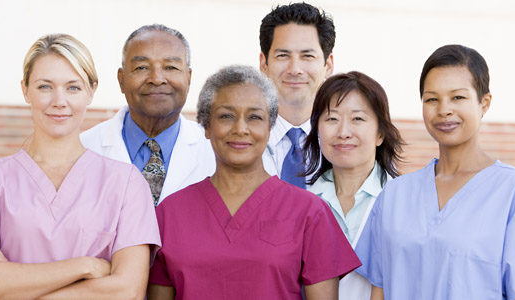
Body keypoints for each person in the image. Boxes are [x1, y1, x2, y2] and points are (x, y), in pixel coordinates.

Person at [0, 33, 160, 299]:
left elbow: (126, 290)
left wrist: (12, 286)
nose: (59, 101)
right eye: (44, 86)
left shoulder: (126, 183)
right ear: (25, 90)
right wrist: (86, 266)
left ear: (91, 92)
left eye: (73, 87)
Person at [355, 44, 515, 300]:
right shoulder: (395, 195)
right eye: (431, 99)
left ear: (484, 103)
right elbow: (379, 293)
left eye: (457, 97)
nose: (444, 110)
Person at [147, 65, 360, 300]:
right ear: (206, 126)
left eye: (254, 117)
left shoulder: (310, 212)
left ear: (269, 127)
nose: (240, 129)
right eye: (226, 116)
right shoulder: (171, 213)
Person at [81, 24, 215, 206]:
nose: (157, 78)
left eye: (171, 67)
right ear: (121, 80)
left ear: (189, 78)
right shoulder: (83, 149)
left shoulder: (215, 151)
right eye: (142, 67)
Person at [303, 71, 404, 299]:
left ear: (380, 134)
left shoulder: (403, 200)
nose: (343, 132)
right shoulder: (303, 202)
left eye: (357, 119)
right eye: (332, 119)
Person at [259, 2, 335, 188]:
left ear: (328, 65)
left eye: (307, 56)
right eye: (283, 56)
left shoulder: (345, 140)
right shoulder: (239, 138)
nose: (295, 69)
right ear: (264, 64)